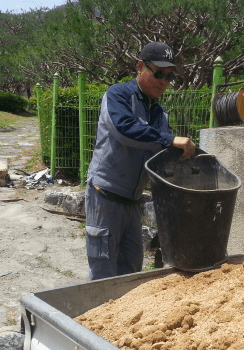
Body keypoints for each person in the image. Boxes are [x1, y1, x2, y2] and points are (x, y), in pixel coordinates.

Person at [85, 42, 196, 280]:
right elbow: (124, 130)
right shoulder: (118, 95)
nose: (164, 81)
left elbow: (160, 154)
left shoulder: (159, 112)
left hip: (133, 202)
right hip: (105, 195)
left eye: (169, 76)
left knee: (131, 269)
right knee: (103, 271)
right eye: (158, 73)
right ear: (139, 67)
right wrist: (170, 139)